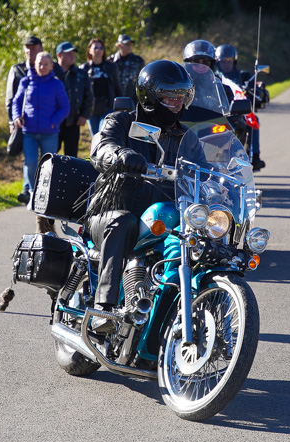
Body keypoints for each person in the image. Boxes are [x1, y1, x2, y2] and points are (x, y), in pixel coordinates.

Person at [86, 60, 205, 331]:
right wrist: (121, 154)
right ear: (150, 97)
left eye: (182, 98)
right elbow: (101, 147)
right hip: (111, 210)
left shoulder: (186, 138)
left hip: (160, 219)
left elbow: (203, 172)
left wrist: (218, 188)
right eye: (170, 98)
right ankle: (103, 309)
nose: (178, 105)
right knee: (123, 221)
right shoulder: (121, 122)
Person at [10, 51, 70, 205]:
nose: (42, 67)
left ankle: (47, 194)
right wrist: (16, 117)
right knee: (30, 162)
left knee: (48, 165)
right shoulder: (26, 81)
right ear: (34, 65)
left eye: (45, 64)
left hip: (49, 132)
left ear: (51, 66)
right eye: (39, 64)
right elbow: (16, 102)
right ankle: (32, 192)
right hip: (28, 131)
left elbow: (64, 107)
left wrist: (54, 121)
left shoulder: (56, 84)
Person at [215, 43, 266, 171]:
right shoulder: (213, 78)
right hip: (218, 113)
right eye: (223, 62)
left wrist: (255, 89)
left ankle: (255, 156)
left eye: (229, 61)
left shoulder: (243, 76)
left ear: (234, 61)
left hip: (239, 112)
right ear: (217, 63)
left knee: (254, 120)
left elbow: (258, 93)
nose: (226, 64)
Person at [5, 35, 64, 122]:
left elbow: (64, 95)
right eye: (27, 48)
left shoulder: (54, 68)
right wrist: (12, 120)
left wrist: (57, 119)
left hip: (49, 122)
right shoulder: (17, 70)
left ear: (41, 49)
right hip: (24, 121)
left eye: (33, 48)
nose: (29, 51)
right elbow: (11, 98)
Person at [55, 41, 93, 158]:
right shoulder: (50, 72)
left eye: (73, 53)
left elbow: (89, 97)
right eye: (69, 53)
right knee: (51, 154)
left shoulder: (81, 74)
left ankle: (69, 177)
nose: (73, 56)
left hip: (73, 121)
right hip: (53, 122)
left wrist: (84, 115)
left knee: (71, 156)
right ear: (59, 55)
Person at [80, 38, 121, 136]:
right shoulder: (83, 68)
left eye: (101, 48)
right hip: (91, 109)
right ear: (89, 50)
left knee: (103, 134)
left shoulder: (111, 67)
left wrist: (120, 106)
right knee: (95, 137)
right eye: (95, 48)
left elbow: (117, 88)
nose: (98, 50)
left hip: (107, 107)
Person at [109, 34, 145, 101]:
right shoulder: (110, 61)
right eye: (127, 44)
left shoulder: (138, 61)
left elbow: (142, 82)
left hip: (133, 100)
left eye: (130, 44)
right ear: (119, 46)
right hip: (114, 100)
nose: (129, 46)